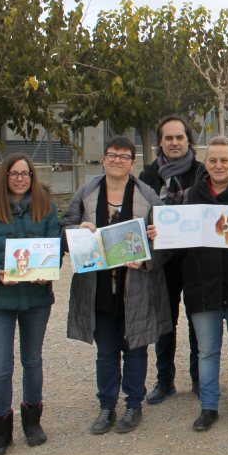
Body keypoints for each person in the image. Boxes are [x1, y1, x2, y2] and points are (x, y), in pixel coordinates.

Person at [149, 136, 228, 432]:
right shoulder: (188, 197)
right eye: (212, 160)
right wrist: (157, 234)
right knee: (206, 352)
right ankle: (209, 407)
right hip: (202, 287)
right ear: (205, 162)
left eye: (224, 159)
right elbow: (174, 242)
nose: (218, 165)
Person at [61, 136, 172, 435]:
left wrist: (152, 246)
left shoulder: (147, 194)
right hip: (97, 288)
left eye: (124, 156)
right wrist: (76, 230)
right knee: (106, 352)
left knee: (136, 349)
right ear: (104, 159)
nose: (117, 161)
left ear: (133, 163)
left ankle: (133, 404)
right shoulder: (86, 192)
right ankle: (107, 406)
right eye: (112, 155)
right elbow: (64, 227)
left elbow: (168, 237)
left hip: (136, 288)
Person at [0, 153, 61, 455]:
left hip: (35, 300)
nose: (20, 178)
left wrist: (45, 272)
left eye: (26, 173)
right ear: (4, 176)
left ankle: (32, 424)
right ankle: (1, 431)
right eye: (14, 173)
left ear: (32, 177)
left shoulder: (45, 209)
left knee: (32, 361)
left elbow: (54, 249)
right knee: (1, 367)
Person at [138, 115, 204, 403]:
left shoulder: (203, 172)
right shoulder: (148, 176)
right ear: (160, 142)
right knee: (165, 322)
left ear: (188, 139)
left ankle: (200, 379)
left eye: (180, 137)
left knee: (198, 321)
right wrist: (146, 227)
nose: (175, 142)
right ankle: (164, 380)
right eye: (169, 138)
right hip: (162, 261)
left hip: (197, 258)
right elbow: (137, 217)